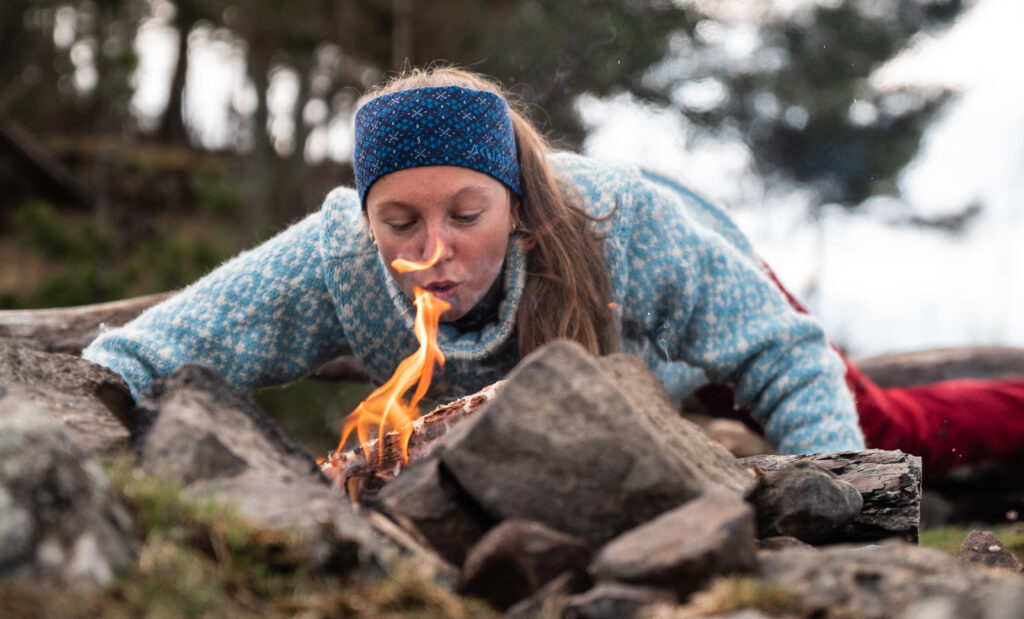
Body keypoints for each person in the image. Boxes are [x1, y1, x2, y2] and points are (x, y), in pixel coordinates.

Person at [82, 66, 1022, 473]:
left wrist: (840, 493)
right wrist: (103, 397)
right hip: (609, 391)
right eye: (399, 220)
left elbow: (782, 350)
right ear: (365, 213)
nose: (430, 248)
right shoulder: (335, 262)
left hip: (714, 302)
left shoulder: (628, 225)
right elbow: (180, 333)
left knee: (896, 423)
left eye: (465, 214)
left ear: (518, 209)